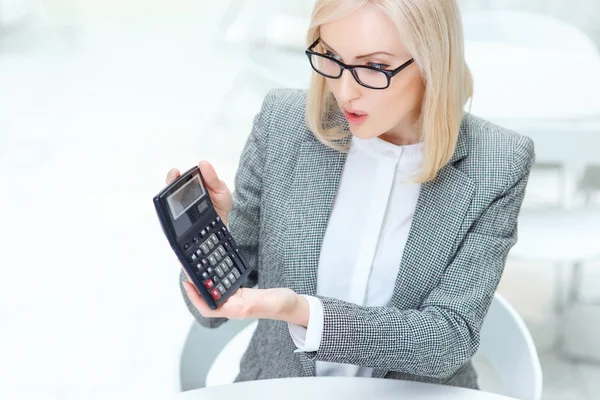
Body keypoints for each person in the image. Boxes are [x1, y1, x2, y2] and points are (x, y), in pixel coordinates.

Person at [166, 0, 535, 389]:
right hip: (282, 386)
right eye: (331, 57)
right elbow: (214, 313)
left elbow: (447, 339)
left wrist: (307, 313)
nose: (344, 92)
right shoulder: (283, 123)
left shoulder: (497, 162)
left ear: (432, 61)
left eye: (373, 67)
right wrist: (219, 241)